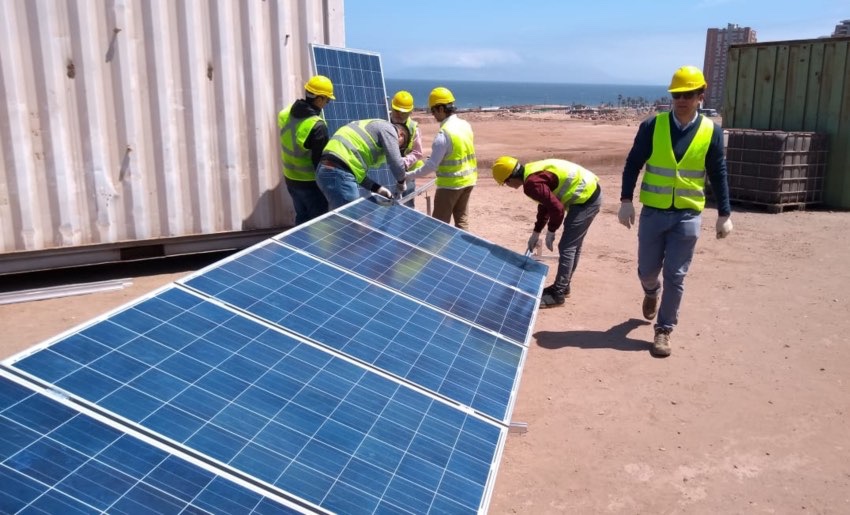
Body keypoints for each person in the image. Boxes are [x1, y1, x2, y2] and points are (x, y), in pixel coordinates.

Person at [618, 65, 734, 358]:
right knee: (647, 270)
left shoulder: (711, 132)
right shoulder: (651, 126)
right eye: (677, 94)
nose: (682, 99)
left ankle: (664, 330)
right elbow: (633, 163)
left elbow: (718, 173)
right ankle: (649, 291)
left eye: (689, 94)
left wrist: (724, 213)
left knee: (676, 275)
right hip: (654, 212)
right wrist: (625, 200)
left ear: (700, 96)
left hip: (688, 214)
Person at [492, 157, 602, 308]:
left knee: (567, 247)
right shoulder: (531, 172)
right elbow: (546, 204)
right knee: (573, 246)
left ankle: (558, 294)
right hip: (590, 191)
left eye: (505, 183)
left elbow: (557, 209)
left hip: (586, 200)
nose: (507, 186)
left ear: (510, 178)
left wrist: (551, 230)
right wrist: (536, 232)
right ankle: (564, 286)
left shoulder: (531, 184)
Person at [405, 87, 476, 229]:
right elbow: (459, 151)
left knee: (438, 227)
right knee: (462, 223)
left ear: (441, 109)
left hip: (450, 185)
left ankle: (438, 252)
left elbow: (431, 166)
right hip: (469, 181)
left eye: (433, 110)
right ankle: (460, 251)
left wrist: (408, 176)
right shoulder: (465, 125)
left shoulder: (443, 135)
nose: (433, 114)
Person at [277, 75, 335, 225]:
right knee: (318, 225)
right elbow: (320, 163)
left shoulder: (285, 113)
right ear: (319, 98)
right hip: (310, 183)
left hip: (290, 178)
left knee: (301, 220)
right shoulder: (317, 126)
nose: (327, 103)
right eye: (327, 100)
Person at [315, 119, 410, 209]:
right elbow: (396, 162)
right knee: (349, 221)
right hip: (339, 172)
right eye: (400, 146)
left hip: (325, 170)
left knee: (340, 221)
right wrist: (401, 181)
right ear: (401, 135)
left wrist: (377, 188)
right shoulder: (389, 129)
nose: (397, 148)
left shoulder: (369, 126)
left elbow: (356, 173)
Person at [389, 90, 424, 207]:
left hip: (406, 175)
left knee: (406, 207)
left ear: (410, 112)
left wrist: (403, 162)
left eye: (403, 112)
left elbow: (418, 153)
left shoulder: (413, 127)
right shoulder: (383, 122)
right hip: (385, 173)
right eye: (396, 111)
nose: (399, 114)